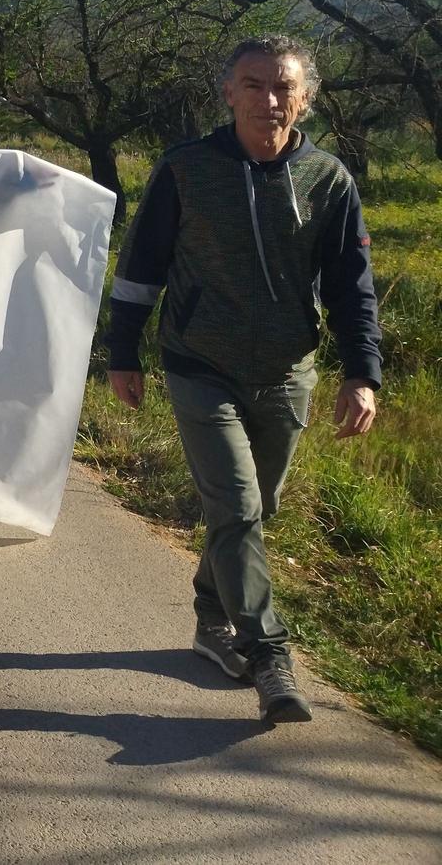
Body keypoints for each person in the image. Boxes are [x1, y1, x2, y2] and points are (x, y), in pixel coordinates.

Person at [105, 36, 380, 725]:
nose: (269, 99)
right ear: (227, 94)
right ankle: (269, 655)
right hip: (201, 365)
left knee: (258, 509)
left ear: (305, 97)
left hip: (288, 372)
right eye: (253, 85)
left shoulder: (328, 178)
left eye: (283, 86)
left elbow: (353, 287)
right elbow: (141, 266)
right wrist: (123, 353)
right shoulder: (187, 168)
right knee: (235, 507)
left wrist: (362, 374)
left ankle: (209, 615)